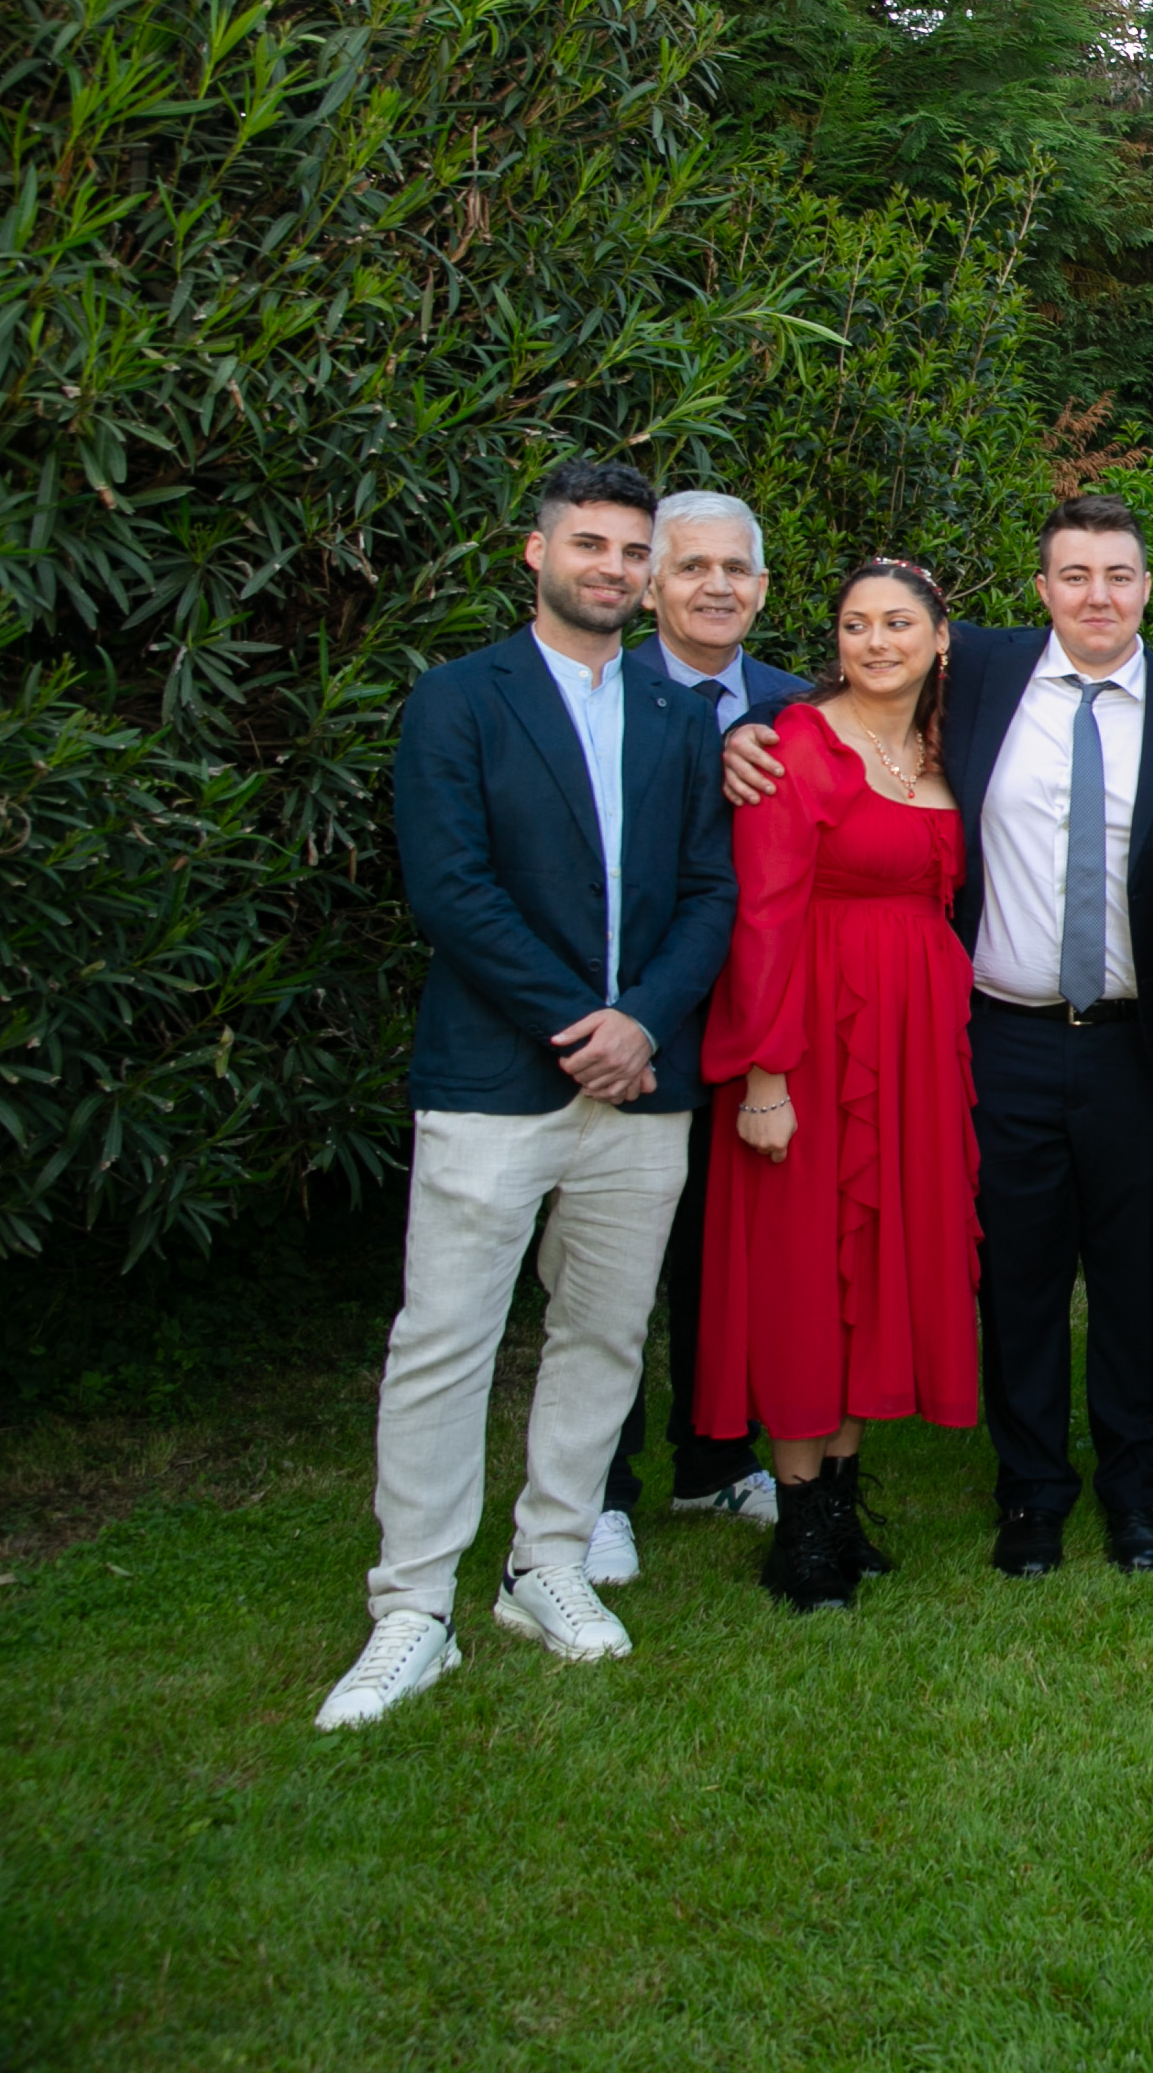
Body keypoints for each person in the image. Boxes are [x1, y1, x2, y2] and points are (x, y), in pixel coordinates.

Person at [721, 492, 1153, 1578]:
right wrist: (740, 728)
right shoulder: (984, 678)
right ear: (1041, 589)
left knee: (1138, 1278)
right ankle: (1031, 1494)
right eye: (1074, 575)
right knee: (1016, 1276)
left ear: (1147, 589)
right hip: (995, 1035)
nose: (1096, 595)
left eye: (1118, 575)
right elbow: (855, 680)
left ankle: (1139, 1491)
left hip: (1136, 1043)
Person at [320, 461, 738, 1731]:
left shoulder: (677, 714)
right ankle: (413, 1604)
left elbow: (709, 891)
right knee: (445, 1341)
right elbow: (451, 889)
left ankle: (546, 1560)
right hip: (498, 1079)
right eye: (590, 545)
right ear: (537, 554)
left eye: (631, 552)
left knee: (604, 1333)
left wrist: (643, 1021)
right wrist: (583, 1027)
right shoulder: (460, 700)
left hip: (644, 1084)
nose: (612, 568)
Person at [693, 559, 982, 1611]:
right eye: (856, 625)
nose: (875, 642)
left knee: (872, 1268)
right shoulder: (796, 746)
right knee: (806, 1269)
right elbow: (763, 919)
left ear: (939, 640)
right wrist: (765, 1076)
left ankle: (842, 1506)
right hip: (813, 1036)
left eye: (898, 623)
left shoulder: (948, 747)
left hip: (915, 1042)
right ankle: (799, 1528)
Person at [600, 490, 805, 1570]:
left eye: (735, 569)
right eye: (691, 567)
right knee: (612, 1272)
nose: (716, 586)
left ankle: (716, 1456)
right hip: (643, 1019)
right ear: (650, 586)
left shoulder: (798, 704)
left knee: (727, 1261)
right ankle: (601, 1488)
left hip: (761, 1023)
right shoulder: (605, 691)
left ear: (762, 588)